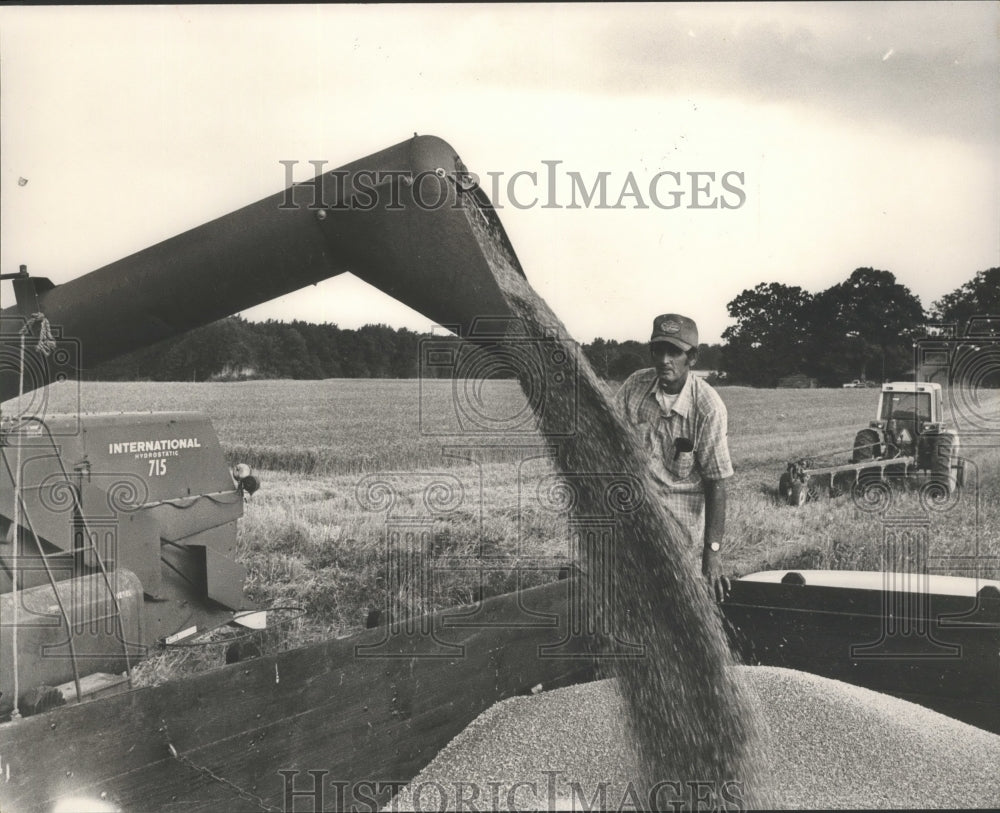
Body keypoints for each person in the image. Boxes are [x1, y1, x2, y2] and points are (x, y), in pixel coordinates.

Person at [614, 313, 733, 601]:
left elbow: (716, 484)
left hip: (677, 520)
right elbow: (611, 441)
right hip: (633, 508)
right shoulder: (634, 387)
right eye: (659, 350)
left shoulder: (708, 408)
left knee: (660, 591)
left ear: (692, 357)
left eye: (674, 352)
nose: (664, 359)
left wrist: (712, 555)